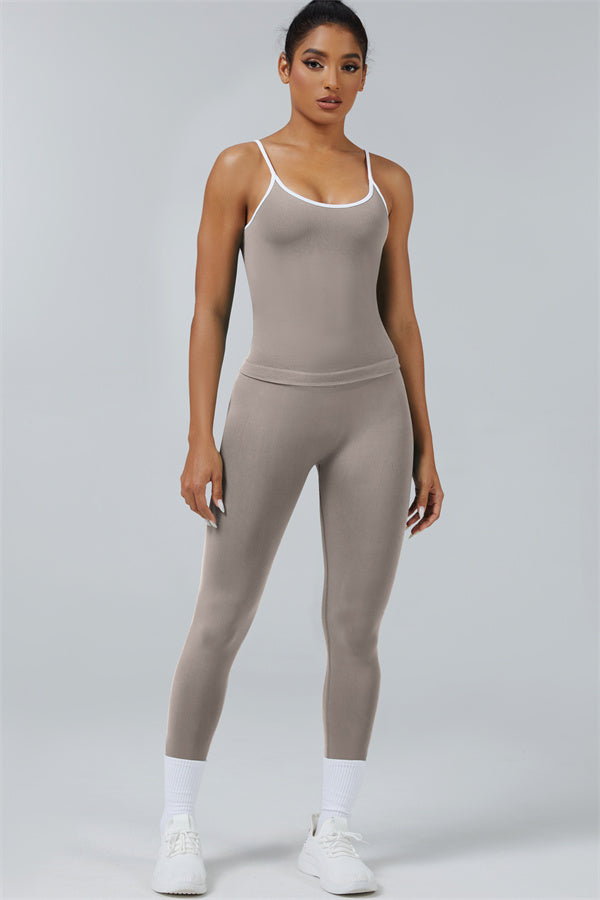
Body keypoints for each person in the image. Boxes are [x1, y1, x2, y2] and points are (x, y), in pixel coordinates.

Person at [151, 0, 444, 894]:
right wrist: (199, 437)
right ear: (285, 68)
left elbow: (401, 317)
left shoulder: (388, 181)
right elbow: (209, 310)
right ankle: (178, 825)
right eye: (315, 62)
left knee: (354, 629)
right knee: (221, 617)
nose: (332, 81)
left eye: (349, 66)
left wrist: (426, 444)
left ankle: (335, 829)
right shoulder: (241, 167)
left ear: (364, 77)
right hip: (270, 409)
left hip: (373, 413)